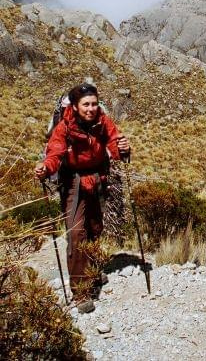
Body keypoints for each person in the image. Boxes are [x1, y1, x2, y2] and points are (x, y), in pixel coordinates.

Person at [35, 83, 130, 313]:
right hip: (74, 181)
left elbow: (114, 142)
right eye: (86, 104)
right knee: (76, 233)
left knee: (95, 227)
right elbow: (55, 152)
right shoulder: (64, 127)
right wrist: (46, 167)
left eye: (94, 104)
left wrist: (123, 148)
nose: (91, 108)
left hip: (98, 177)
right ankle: (80, 292)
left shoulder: (102, 120)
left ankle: (93, 272)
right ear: (75, 107)